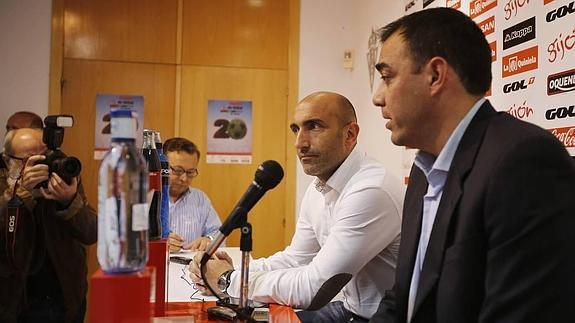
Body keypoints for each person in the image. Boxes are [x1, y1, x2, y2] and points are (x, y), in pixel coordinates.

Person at [370, 8, 575, 323]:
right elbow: (403, 299)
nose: (377, 98)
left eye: (387, 77)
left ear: (435, 75)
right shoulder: (423, 173)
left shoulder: (523, 162)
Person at [190, 91, 404, 322]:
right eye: (296, 129)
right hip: (349, 309)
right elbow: (296, 258)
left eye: (314, 126)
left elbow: (314, 288)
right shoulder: (319, 187)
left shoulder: (369, 190)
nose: (299, 143)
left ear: (349, 134)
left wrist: (229, 280)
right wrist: (239, 271)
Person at [0, 127, 97, 323]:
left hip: (65, 298)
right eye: (30, 160)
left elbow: (91, 232)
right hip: (15, 301)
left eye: (44, 157)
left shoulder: (63, 180)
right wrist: (20, 195)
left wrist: (70, 200)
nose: (41, 167)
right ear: (7, 159)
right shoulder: (3, 183)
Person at [163, 137, 223, 252]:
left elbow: (219, 234)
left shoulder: (201, 199)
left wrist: (208, 240)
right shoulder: (146, 198)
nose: (184, 179)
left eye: (190, 172)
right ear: (162, 167)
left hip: (191, 267)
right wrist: (158, 242)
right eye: (178, 170)